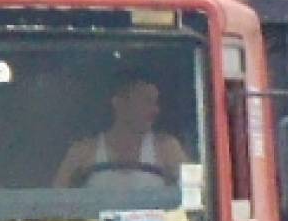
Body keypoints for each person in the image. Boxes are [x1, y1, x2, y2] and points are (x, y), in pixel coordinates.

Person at [52, 70, 189, 190]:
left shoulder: (168, 149)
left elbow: (194, 195)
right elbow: (56, 204)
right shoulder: (83, 152)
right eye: (146, 101)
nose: (155, 110)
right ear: (119, 104)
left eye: (155, 102)